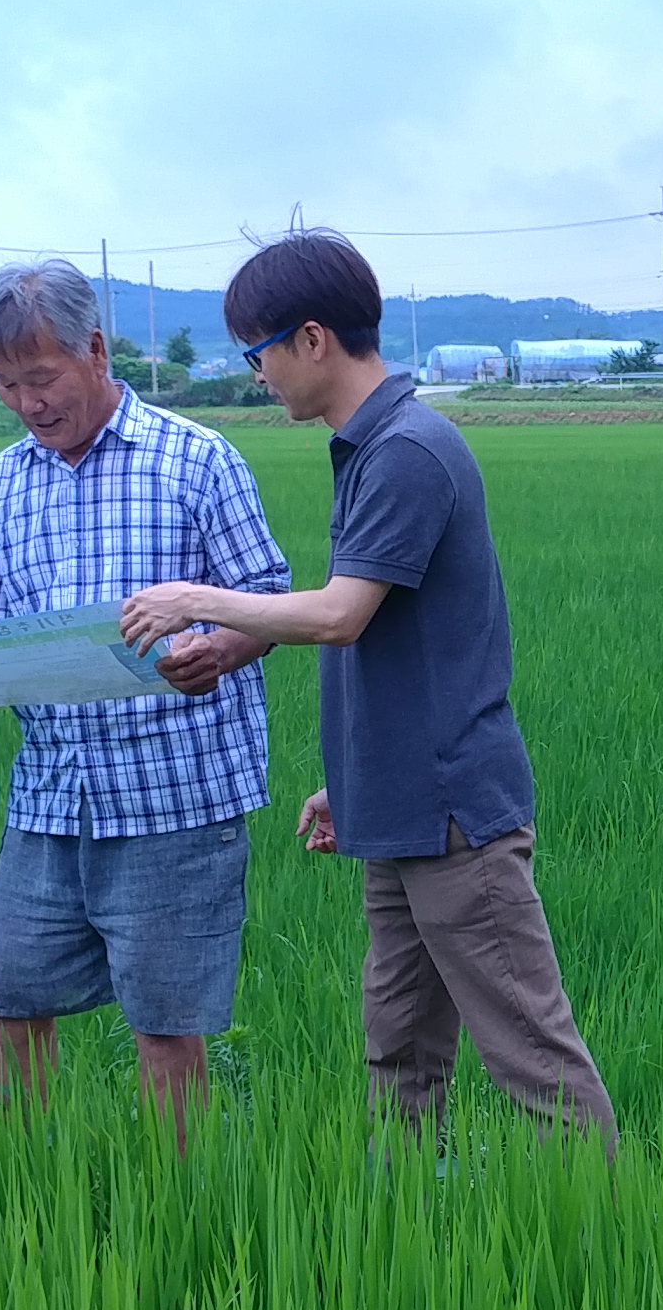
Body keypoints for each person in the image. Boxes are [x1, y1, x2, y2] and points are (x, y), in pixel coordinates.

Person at [118, 231, 617, 1151]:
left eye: (254, 351)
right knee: (398, 1052)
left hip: (456, 815)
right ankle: (406, 1230)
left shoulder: (407, 451)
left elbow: (341, 615)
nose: (254, 374)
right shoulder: (368, 446)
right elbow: (389, 643)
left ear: (311, 339)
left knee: (534, 1062)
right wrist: (350, 783)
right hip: (398, 811)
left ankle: (603, 1249)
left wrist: (194, 600)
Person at [0, 258, 286, 1143]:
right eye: (4, 385)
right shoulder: (6, 479)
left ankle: (175, 1202)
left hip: (174, 793)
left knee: (165, 1027)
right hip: (53, 796)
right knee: (14, 1004)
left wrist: (219, 648)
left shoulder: (195, 458)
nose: (27, 403)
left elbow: (268, 602)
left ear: (96, 349)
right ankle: (32, 1185)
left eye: (41, 378)